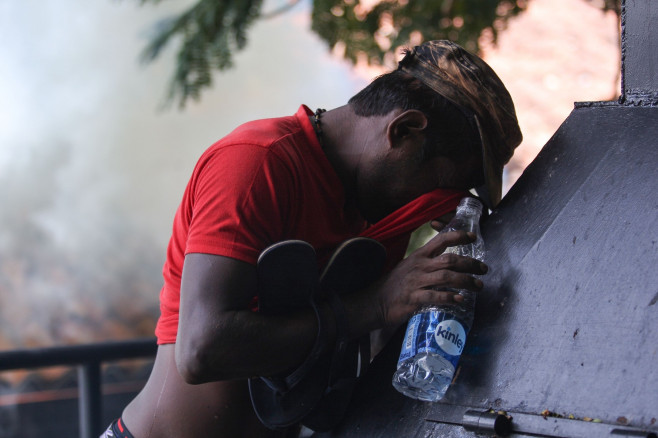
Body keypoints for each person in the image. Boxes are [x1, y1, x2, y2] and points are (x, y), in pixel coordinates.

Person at [103, 40, 522, 438]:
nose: (436, 202)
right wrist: (375, 304)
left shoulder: (375, 210)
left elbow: (362, 346)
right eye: (441, 183)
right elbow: (201, 350)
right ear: (404, 131)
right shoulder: (257, 163)